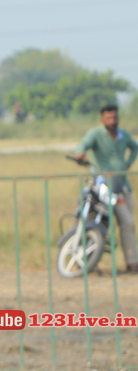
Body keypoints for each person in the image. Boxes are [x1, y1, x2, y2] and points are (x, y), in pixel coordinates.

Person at [73, 102, 138, 272]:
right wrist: (80, 154)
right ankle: (85, 261)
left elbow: (135, 147)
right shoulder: (96, 134)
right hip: (103, 187)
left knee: (128, 224)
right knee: (94, 221)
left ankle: (132, 262)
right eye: (108, 118)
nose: (112, 121)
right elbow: (83, 144)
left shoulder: (123, 134)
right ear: (102, 119)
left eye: (114, 117)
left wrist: (128, 164)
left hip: (121, 186)